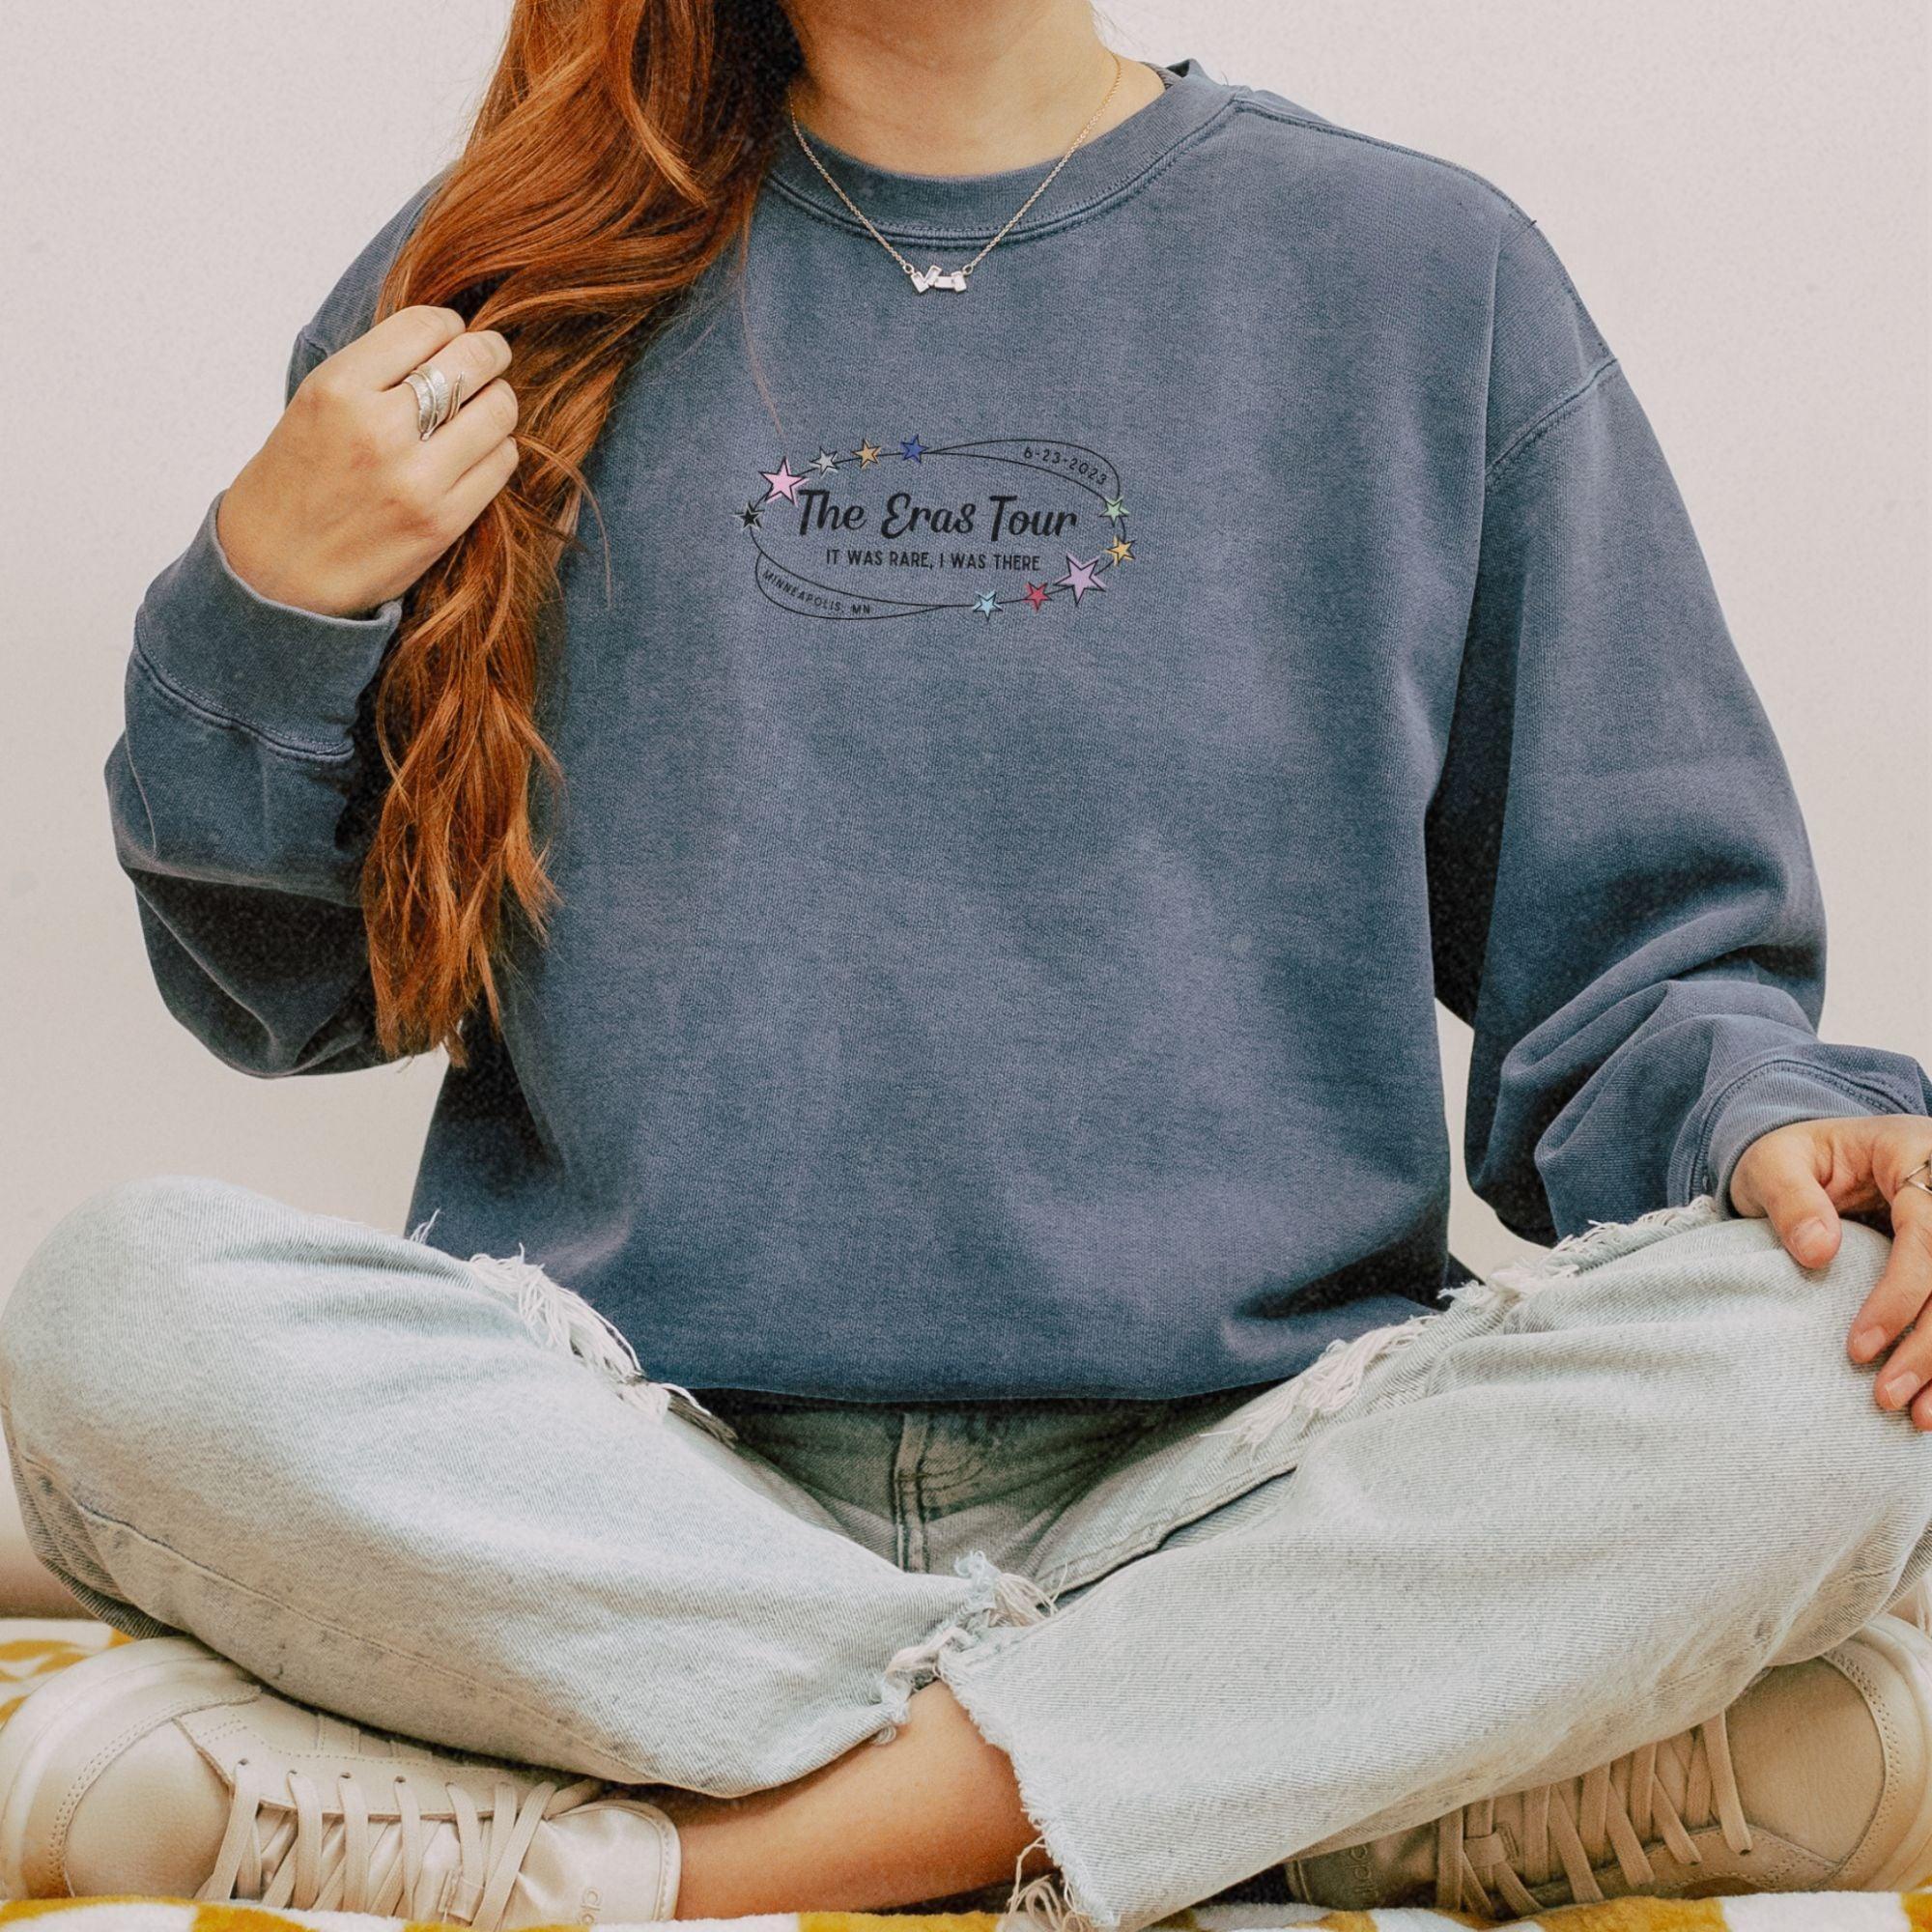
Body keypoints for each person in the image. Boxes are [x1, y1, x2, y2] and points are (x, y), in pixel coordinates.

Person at [4, 1, 1932, 1924]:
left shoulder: (1426, 279)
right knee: (114, 1316)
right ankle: (1319, 1772)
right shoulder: (501, 280)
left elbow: (1637, 962)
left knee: (1833, 1355)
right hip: (636, 1477)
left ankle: (714, 1855)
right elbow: (292, 983)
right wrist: (268, 589)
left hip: (1248, 1465)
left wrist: (1768, 1120)